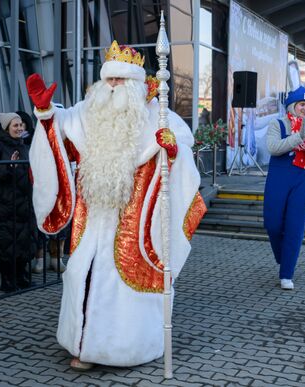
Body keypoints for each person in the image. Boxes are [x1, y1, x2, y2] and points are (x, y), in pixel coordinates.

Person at [26, 40, 206, 369]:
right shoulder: (85, 112)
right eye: (109, 79)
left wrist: (173, 151)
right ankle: (82, 345)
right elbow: (62, 138)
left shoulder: (157, 116)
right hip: (92, 216)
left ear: (136, 83)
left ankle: (126, 348)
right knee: (83, 273)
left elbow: (180, 157)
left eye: (120, 80)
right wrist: (45, 115)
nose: (112, 86)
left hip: (134, 221)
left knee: (122, 283)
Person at [263, 61, 305, 291]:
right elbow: (272, 147)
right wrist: (296, 138)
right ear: (292, 105)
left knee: (295, 227)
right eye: (302, 104)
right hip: (278, 180)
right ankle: (284, 256)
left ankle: (287, 271)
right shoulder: (277, 123)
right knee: (272, 223)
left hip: (302, 179)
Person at [0, 112, 37, 292]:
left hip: (23, 204)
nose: (20, 128)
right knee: (5, 244)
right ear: (6, 128)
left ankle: (21, 275)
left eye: (21, 125)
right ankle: (7, 280)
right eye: (15, 126)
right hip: (4, 205)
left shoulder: (23, 146)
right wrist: (8, 167)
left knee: (22, 241)